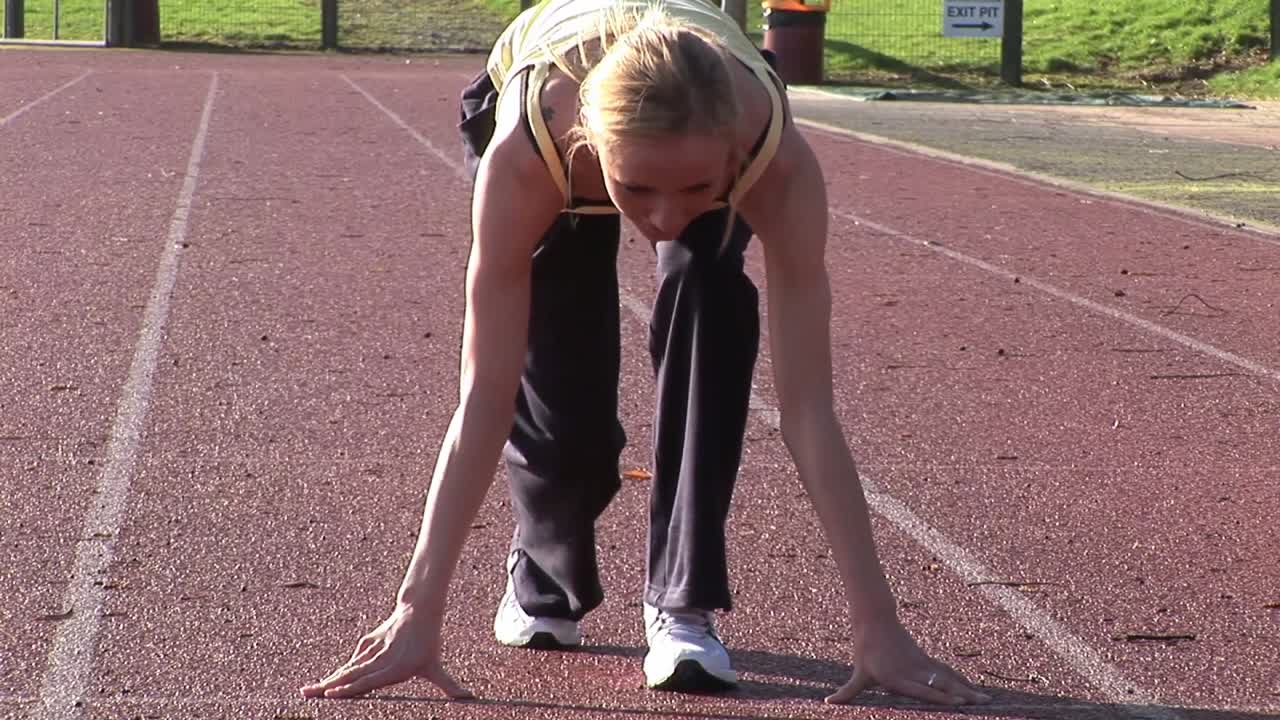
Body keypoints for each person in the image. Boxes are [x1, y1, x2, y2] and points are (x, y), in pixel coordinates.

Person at [300, 0, 990, 707]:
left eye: (696, 189)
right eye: (636, 189)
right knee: (560, 365)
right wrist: (417, 608)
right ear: (595, 149)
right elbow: (483, 397)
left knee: (710, 290)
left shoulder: (773, 159)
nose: (662, 219)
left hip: (680, 129)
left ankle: (682, 599)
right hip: (548, 117)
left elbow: (809, 409)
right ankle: (544, 567)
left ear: (731, 154)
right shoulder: (528, 151)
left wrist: (880, 625)